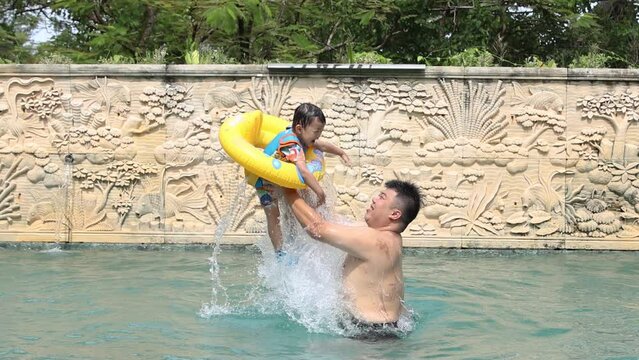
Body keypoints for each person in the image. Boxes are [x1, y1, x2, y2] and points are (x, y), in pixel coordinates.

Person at [283, 179, 421, 338]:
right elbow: (326, 220)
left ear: (395, 214)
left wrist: (287, 189)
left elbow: (317, 228)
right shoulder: (390, 239)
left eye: (382, 197)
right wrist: (303, 187)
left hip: (368, 337)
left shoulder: (376, 241)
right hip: (385, 329)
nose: (375, 199)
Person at [255, 103, 350, 254]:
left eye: (321, 131)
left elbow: (322, 146)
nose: (318, 135)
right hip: (266, 183)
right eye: (316, 131)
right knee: (273, 215)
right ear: (299, 129)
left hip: (285, 180)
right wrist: (320, 193)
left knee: (294, 211)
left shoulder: (304, 138)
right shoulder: (290, 143)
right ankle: (279, 252)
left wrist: (341, 152)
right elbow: (304, 171)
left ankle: (294, 242)